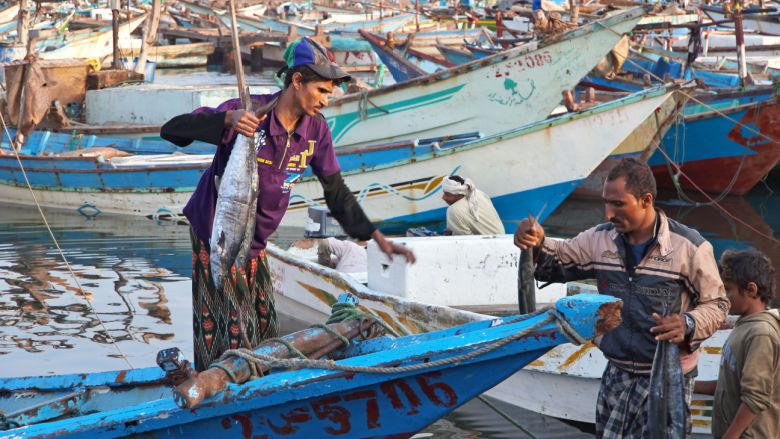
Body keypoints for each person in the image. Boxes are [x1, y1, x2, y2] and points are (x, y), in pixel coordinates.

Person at [161, 37, 415, 371]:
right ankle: (214, 387)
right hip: (217, 235)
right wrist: (226, 120)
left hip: (257, 241)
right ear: (297, 81)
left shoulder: (316, 131)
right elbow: (172, 131)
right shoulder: (248, 114)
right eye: (322, 91)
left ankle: (257, 382)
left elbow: (335, 191)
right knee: (223, 328)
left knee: (264, 326)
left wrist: (379, 241)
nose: (327, 100)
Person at [513, 157, 729, 438]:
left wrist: (688, 323)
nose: (608, 214)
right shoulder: (599, 240)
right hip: (618, 371)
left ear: (645, 200)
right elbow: (557, 260)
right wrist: (537, 242)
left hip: (667, 377)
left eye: (617, 204)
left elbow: (718, 304)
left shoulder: (689, 247)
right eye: (606, 202)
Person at [694, 249, 779, 439]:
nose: (723, 297)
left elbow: (754, 398)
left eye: (728, 290)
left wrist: (729, 436)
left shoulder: (761, 334)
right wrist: (689, 384)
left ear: (751, 289)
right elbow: (731, 384)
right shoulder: (744, 325)